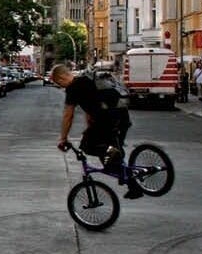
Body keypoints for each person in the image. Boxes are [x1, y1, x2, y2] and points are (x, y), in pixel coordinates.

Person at [50, 62, 139, 197]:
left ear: (62, 78)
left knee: (88, 146)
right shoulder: (88, 79)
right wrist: (89, 128)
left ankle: (112, 152)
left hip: (107, 120)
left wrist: (63, 138)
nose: (60, 86)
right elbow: (90, 109)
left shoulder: (73, 87)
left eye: (58, 83)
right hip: (122, 117)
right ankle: (134, 187)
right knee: (111, 159)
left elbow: (68, 115)